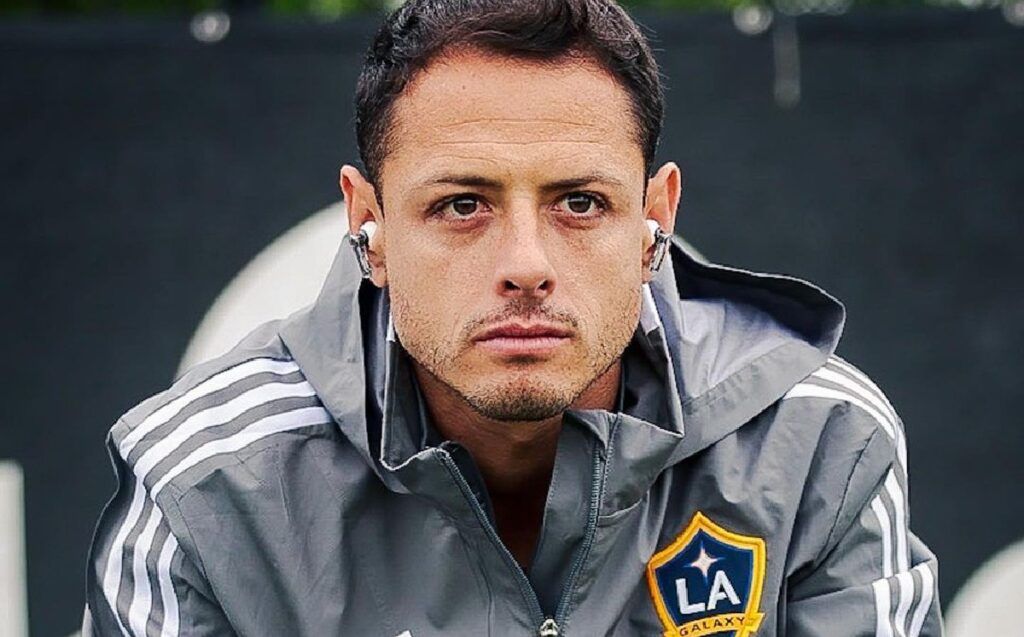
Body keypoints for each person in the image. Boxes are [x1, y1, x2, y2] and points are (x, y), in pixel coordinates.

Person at [83, 0, 944, 635]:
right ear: (368, 226)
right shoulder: (202, 486)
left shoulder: (817, 440)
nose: (526, 264)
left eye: (580, 202)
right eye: (463, 205)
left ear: (655, 218)